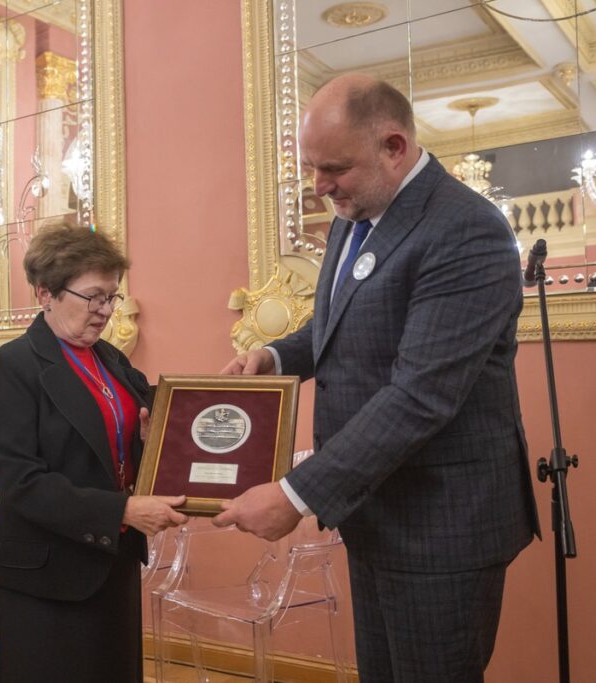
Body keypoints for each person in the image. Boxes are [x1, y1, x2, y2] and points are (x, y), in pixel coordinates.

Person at [217, 74, 540, 682]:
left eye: (334, 168)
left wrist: (294, 494)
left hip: (442, 527)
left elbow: (420, 397)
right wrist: (277, 356)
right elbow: (338, 325)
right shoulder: (355, 213)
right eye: (311, 168)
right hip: (376, 514)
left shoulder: (465, 230)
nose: (319, 187)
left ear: (394, 146)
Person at [0, 223, 187, 682]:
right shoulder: (13, 366)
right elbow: (22, 484)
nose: (105, 311)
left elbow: (140, 437)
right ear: (45, 294)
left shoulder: (112, 359)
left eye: (111, 297)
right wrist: (124, 509)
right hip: (45, 575)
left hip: (111, 562)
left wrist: (158, 440)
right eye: (93, 296)